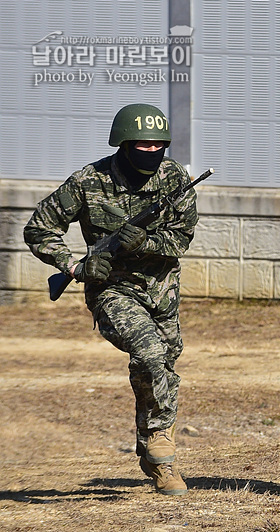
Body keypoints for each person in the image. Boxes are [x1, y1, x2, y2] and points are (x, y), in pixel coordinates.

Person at [23, 103, 198, 494]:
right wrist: (72, 266)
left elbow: (181, 239)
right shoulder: (89, 181)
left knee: (163, 368)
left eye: (159, 145)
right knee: (150, 353)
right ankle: (162, 448)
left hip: (162, 291)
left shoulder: (176, 179)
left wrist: (147, 241)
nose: (151, 152)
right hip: (112, 291)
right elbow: (39, 228)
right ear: (123, 143)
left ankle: (151, 452)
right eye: (142, 145)